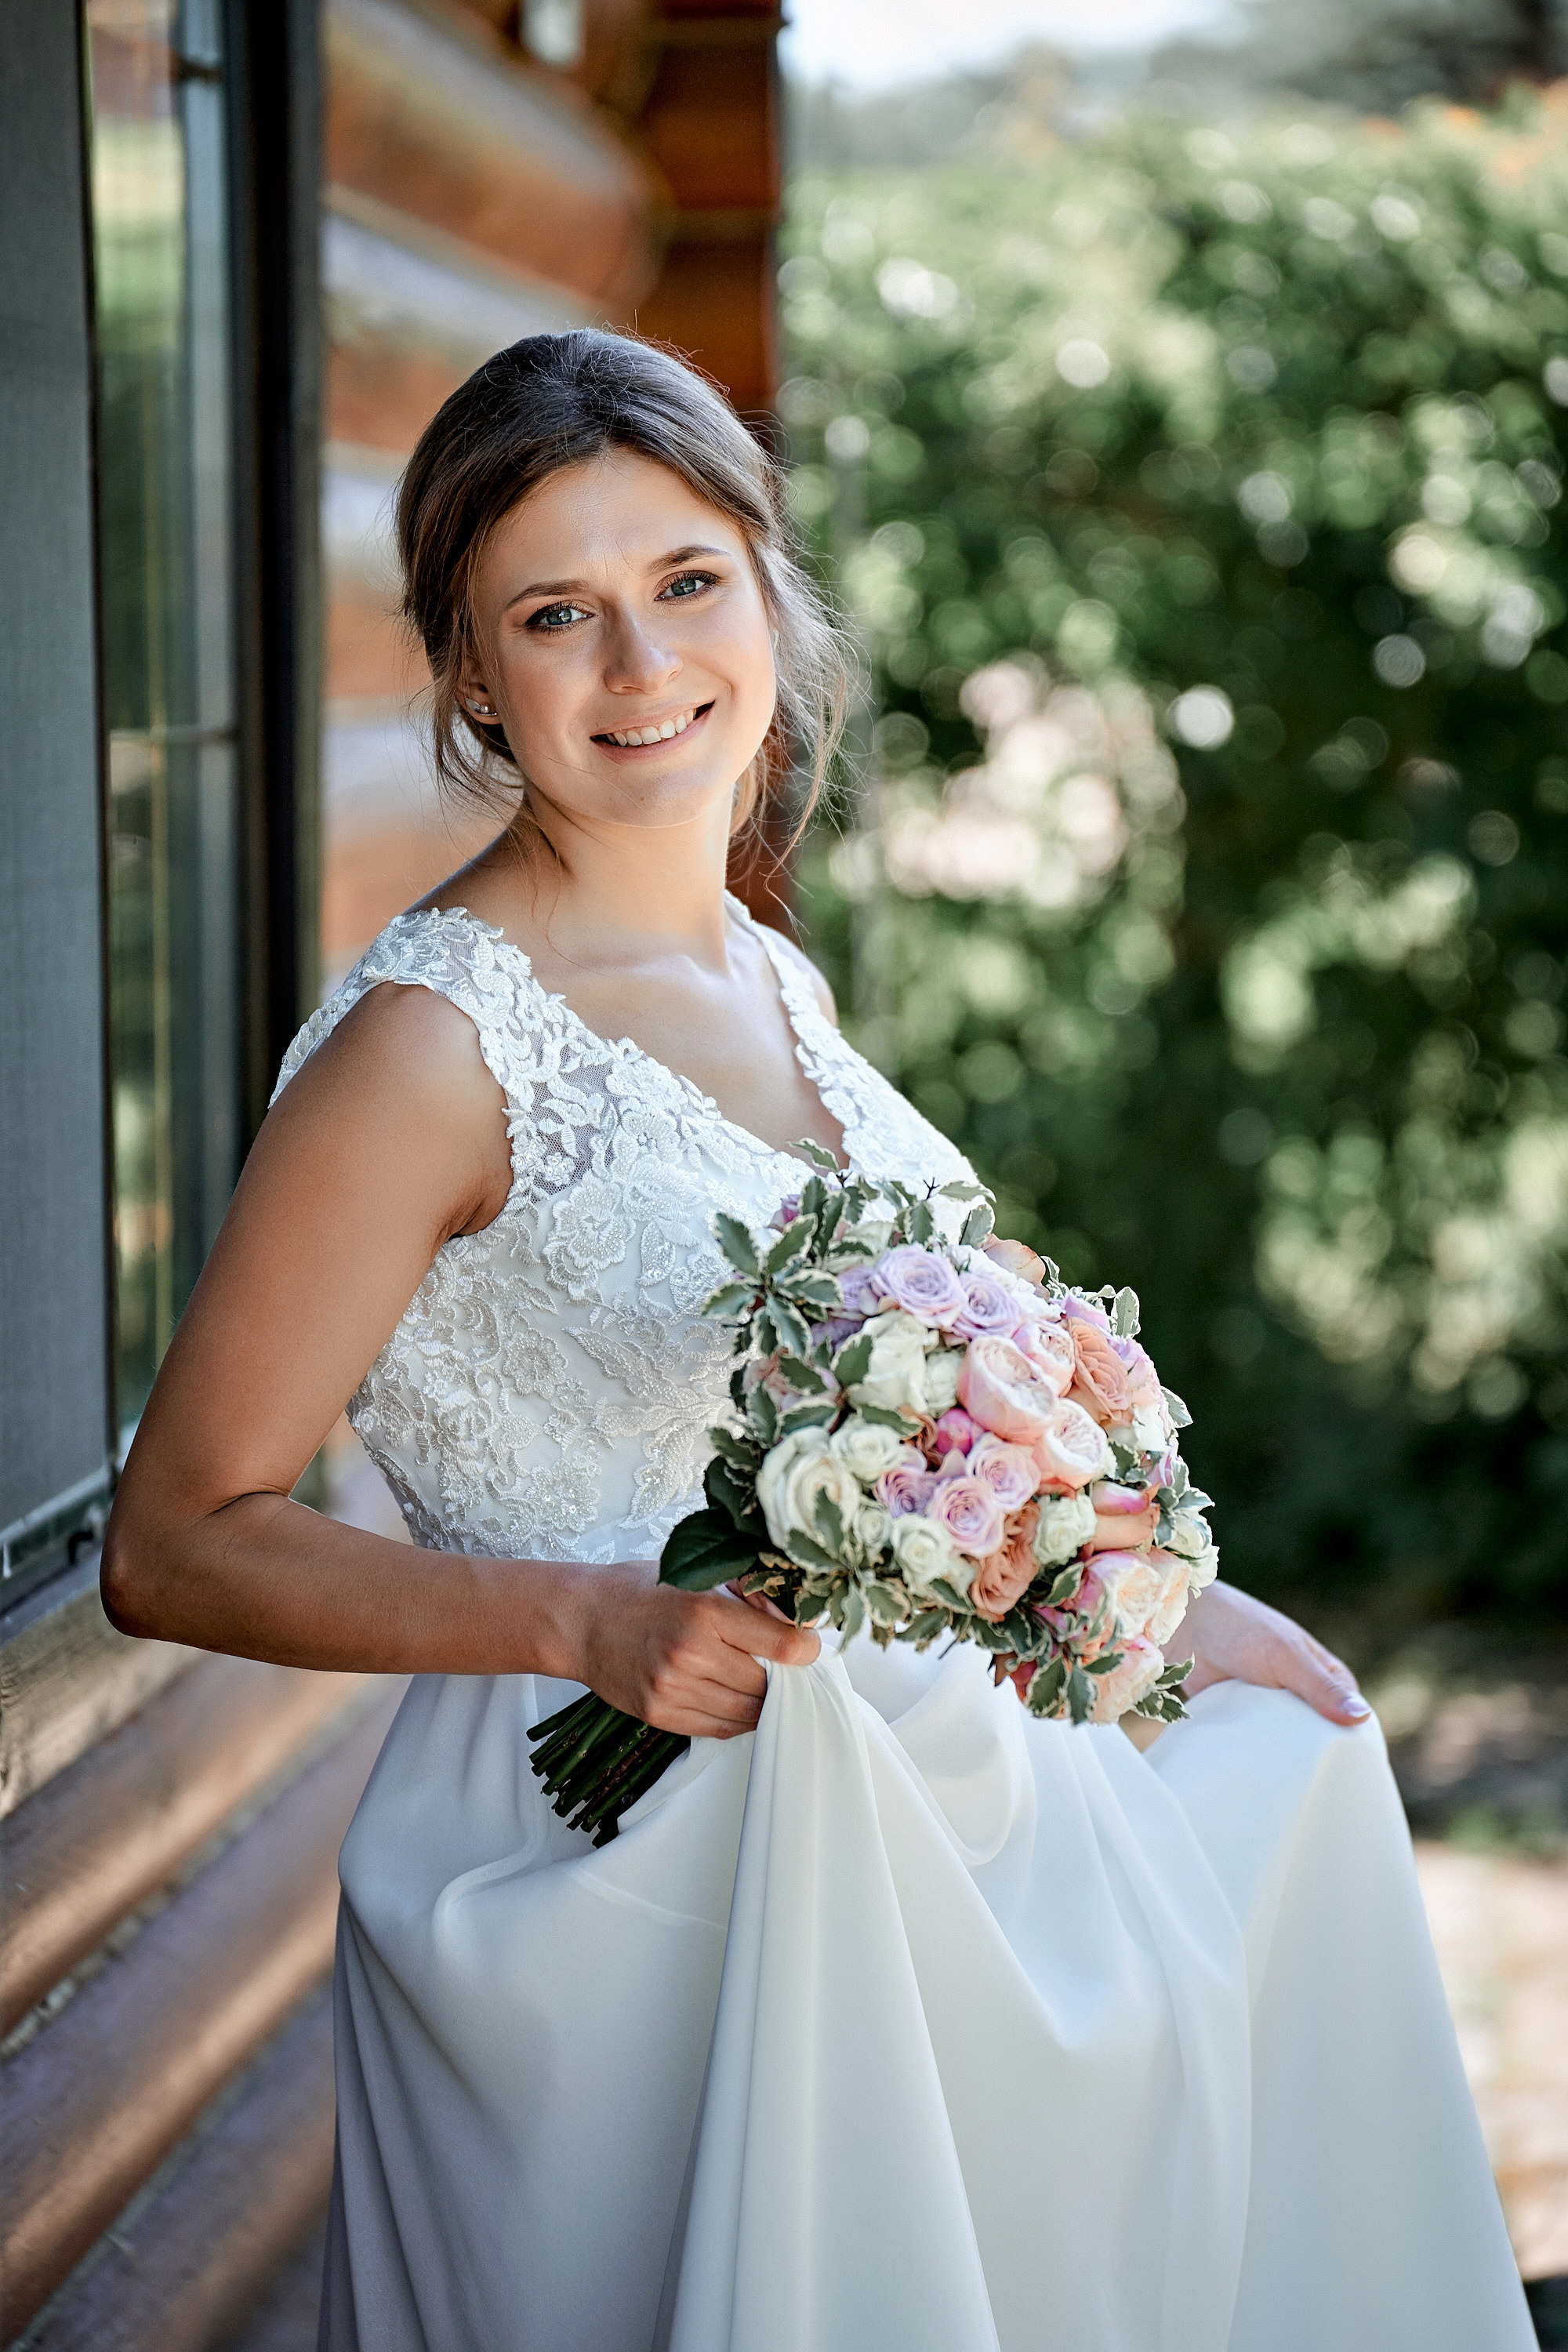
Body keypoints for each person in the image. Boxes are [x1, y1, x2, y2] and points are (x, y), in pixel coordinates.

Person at [103, 330, 1534, 2352]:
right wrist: (584, 1622)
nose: (642, 665)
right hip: (626, 1867)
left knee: (1287, 1795)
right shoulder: (426, 1052)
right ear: (468, 676)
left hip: (903, 1798)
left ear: (769, 590)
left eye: (687, 582)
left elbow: (918, 1411)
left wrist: (1138, 1602)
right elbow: (173, 1540)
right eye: (554, 616)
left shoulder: (762, 963)